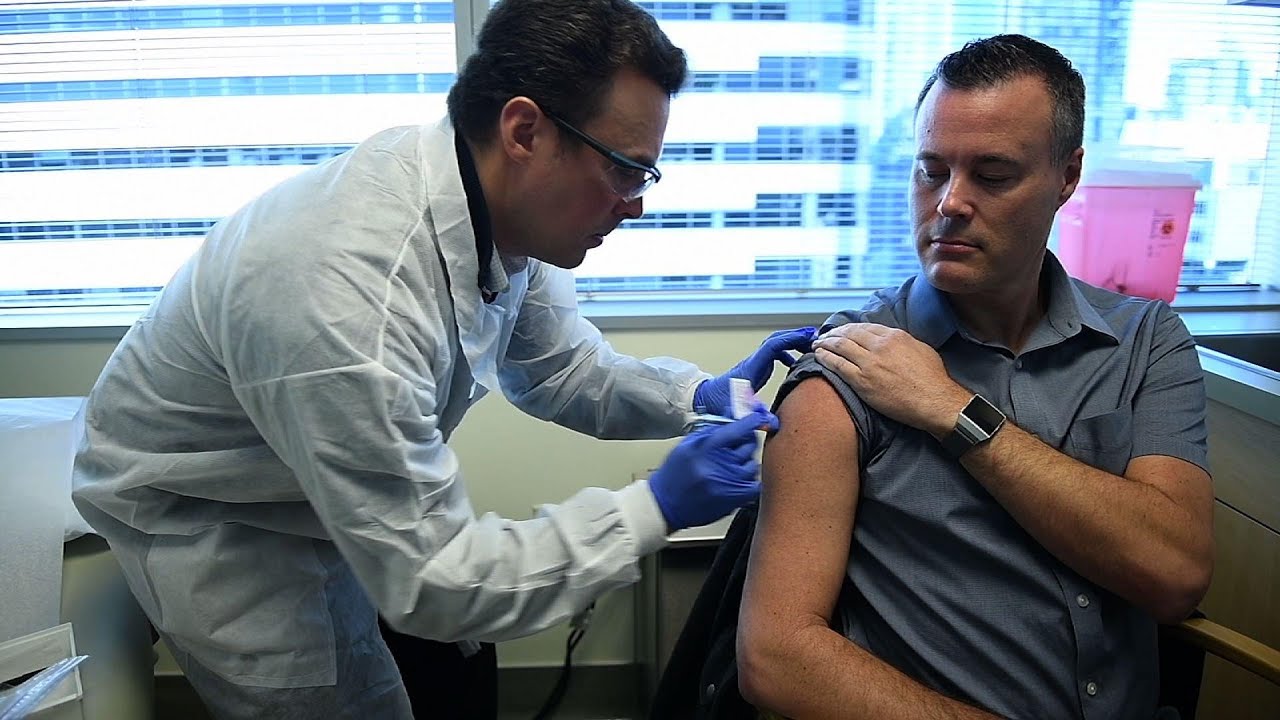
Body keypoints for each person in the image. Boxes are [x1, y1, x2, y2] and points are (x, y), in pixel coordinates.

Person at [69, 1, 814, 717]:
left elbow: (559, 369)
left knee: (454, 665)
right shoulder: (349, 297)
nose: (637, 204)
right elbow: (433, 579)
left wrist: (697, 395)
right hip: (220, 518)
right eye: (626, 170)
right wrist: (656, 506)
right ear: (525, 130)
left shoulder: (492, 202)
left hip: (313, 474)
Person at [735, 34, 1214, 719]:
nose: (950, 202)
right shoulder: (848, 367)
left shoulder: (1145, 341)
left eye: (992, 175)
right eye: (931, 171)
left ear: (1067, 176)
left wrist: (953, 410)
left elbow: (1176, 577)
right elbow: (777, 657)